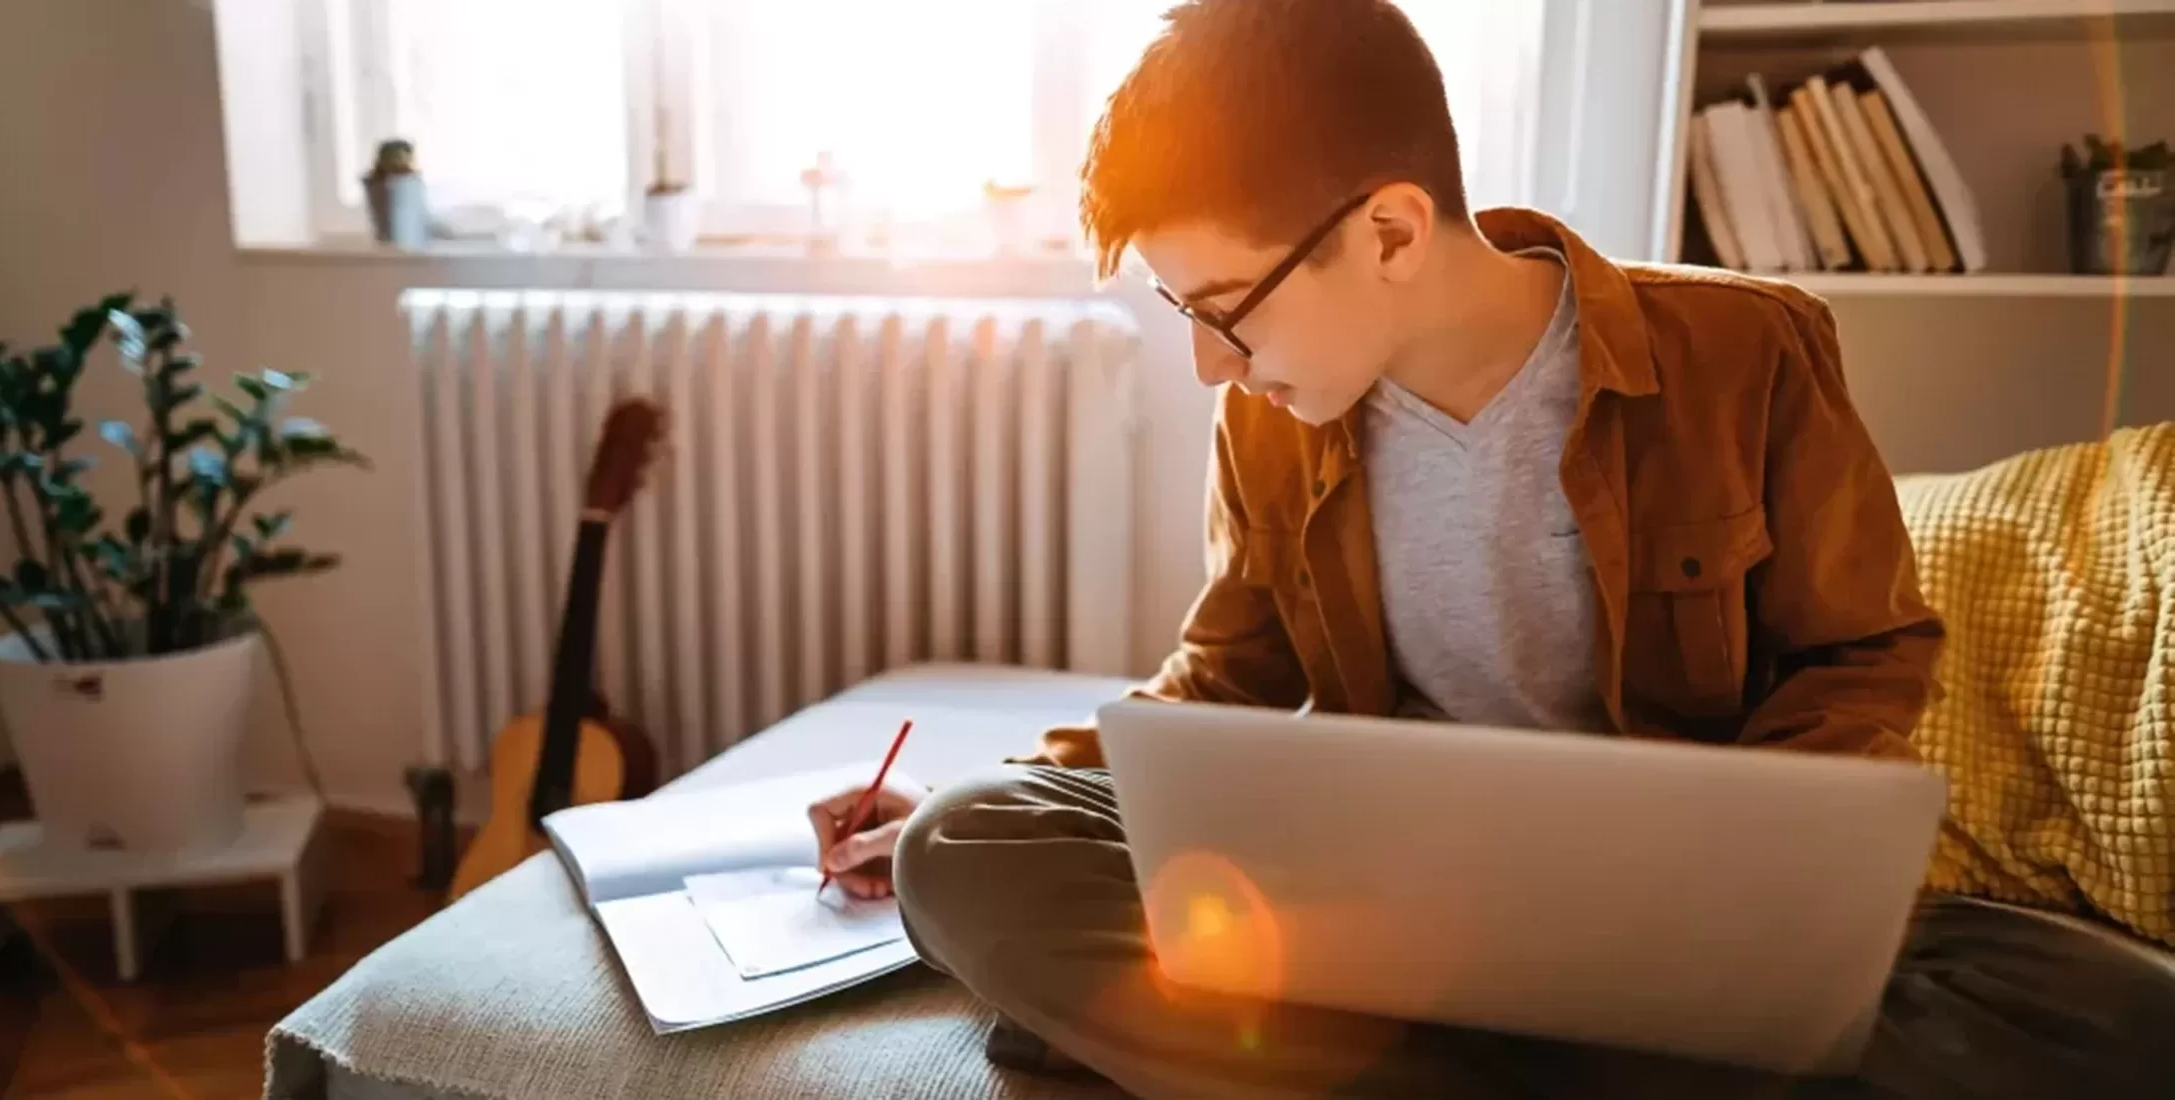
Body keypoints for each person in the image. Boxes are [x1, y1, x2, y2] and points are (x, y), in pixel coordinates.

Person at [806, 1, 2175, 1096]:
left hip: (1674, 915)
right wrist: (959, 792)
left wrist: (1747, 879)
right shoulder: (1277, 424)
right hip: (1382, 907)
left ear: (1392, 229)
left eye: (1224, 309)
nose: (1206, 366)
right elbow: (1216, 686)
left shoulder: (1748, 349)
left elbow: (1868, 651)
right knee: (966, 849)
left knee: (2115, 1015)